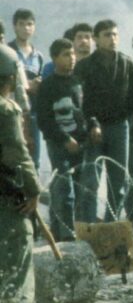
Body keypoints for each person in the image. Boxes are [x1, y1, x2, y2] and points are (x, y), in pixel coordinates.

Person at [0, 44, 40, 303]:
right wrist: (34, 189)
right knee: (15, 275)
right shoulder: (6, 110)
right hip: (6, 204)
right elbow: (16, 153)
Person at [75, 19, 133, 222]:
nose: (112, 39)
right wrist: (92, 123)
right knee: (91, 180)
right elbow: (81, 101)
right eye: (107, 35)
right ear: (96, 39)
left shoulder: (126, 63)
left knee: (118, 181)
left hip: (120, 126)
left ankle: (112, 224)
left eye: (115, 34)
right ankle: (90, 226)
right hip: (95, 128)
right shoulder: (84, 66)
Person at [35, 39, 94, 240]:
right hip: (59, 144)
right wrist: (64, 138)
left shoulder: (78, 82)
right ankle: (65, 237)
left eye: (73, 54)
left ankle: (79, 234)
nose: (72, 58)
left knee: (81, 190)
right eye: (66, 55)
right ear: (54, 58)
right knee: (64, 191)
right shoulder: (48, 86)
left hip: (82, 143)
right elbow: (44, 120)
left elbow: (88, 109)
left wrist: (94, 125)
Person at [8, 9, 44, 168]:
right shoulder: (8, 52)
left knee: (33, 157)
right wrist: (27, 84)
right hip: (11, 111)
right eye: (21, 24)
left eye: (29, 24)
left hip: (33, 112)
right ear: (14, 27)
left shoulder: (38, 56)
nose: (26, 28)